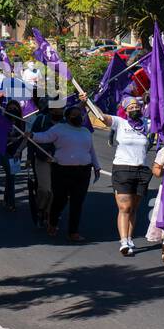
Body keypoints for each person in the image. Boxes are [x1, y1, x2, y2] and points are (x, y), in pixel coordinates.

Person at [93, 95, 155, 256]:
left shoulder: (147, 124)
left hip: (141, 170)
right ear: (125, 110)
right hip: (122, 169)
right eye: (131, 107)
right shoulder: (120, 122)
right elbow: (101, 117)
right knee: (124, 207)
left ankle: (129, 238)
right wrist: (89, 102)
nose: (134, 108)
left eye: (136, 106)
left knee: (134, 208)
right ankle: (123, 242)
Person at [31, 103, 101, 241]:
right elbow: (45, 137)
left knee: (77, 202)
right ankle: (53, 222)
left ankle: (73, 232)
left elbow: (91, 150)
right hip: (62, 170)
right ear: (67, 117)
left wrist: (96, 166)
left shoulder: (85, 131)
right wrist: (32, 135)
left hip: (83, 171)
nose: (78, 117)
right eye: (74, 115)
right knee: (60, 200)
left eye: (79, 114)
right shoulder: (59, 128)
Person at [26, 97, 63, 228]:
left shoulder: (65, 123)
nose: (60, 111)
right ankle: (40, 209)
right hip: (42, 160)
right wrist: (30, 158)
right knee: (45, 190)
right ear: (51, 109)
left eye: (62, 109)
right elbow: (31, 139)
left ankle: (48, 216)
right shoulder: (41, 120)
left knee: (55, 191)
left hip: (59, 162)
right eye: (57, 109)